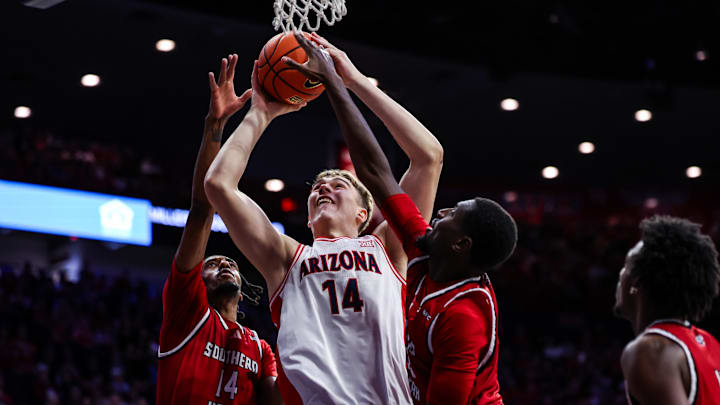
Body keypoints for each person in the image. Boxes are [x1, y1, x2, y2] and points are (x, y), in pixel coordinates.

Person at [204, 34, 443, 404]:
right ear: (310, 215)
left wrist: (354, 80)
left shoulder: (388, 247)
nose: (323, 188)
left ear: (364, 214)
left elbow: (428, 156)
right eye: (317, 186)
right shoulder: (286, 258)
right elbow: (218, 185)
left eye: (338, 185)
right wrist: (261, 113)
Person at [284, 32, 518, 405]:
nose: (440, 211)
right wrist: (346, 81)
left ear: (461, 243)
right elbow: (376, 173)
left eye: (454, 213)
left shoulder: (462, 318)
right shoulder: (425, 248)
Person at [156, 54, 281, 405]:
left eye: (231, 264)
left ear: (243, 293)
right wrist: (216, 124)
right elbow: (201, 211)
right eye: (212, 264)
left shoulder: (260, 348)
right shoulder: (187, 310)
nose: (225, 264)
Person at [614, 216, 720, 405]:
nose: (620, 274)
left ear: (636, 282)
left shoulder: (649, 351)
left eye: (626, 265)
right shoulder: (711, 345)